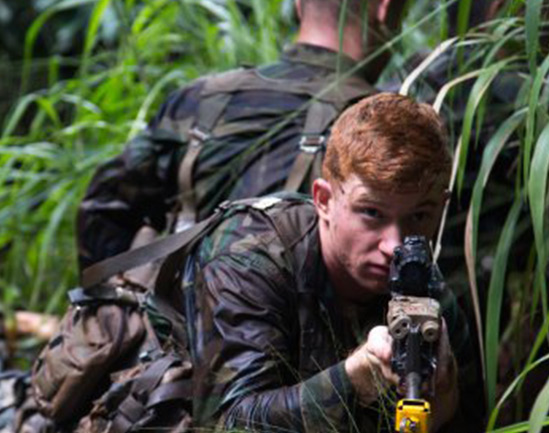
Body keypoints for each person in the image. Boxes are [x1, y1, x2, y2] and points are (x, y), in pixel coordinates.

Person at [182, 92, 481, 433]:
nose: (395, 245)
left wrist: (443, 415)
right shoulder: (251, 256)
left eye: (419, 217)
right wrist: (353, 380)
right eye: (371, 213)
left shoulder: (431, 302)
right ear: (323, 199)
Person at [76, 0, 407, 270]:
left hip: (173, 343)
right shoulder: (381, 125)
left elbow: (103, 208)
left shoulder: (202, 99)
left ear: (298, 5)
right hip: (308, 347)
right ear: (384, 9)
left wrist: (126, 313)